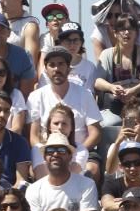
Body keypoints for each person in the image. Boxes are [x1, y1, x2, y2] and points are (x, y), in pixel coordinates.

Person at [27, 47, 102, 180]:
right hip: (48, 151)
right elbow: (33, 136)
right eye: (52, 65)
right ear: (46, 69)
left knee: (93, 169)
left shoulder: (85, 94)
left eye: (61, 64)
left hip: (80, 148)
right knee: (35, 167)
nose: (57, 69)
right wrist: (49, 152)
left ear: (69, 68)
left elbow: (95, 133)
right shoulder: (35, 96)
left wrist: (77, 151)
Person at [25, 133, 99, 211]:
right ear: (44, 157)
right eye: (50, 151)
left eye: (61, 150)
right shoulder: (33, 189)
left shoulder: (87, 184)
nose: (55, 154)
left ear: (70, 156)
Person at [95, 14, 140, 126]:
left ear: (137, 33)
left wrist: (133, 91)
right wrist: (112, 87)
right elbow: (97, 81)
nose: (126, 32)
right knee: (107, 124)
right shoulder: (107, 54)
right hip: (115, 105)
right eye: (122, 29)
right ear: (115, 33)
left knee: (139, 123)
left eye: (130, 29)